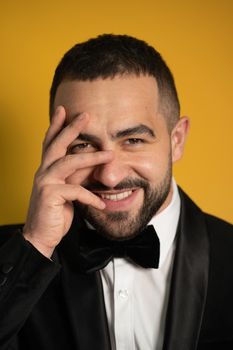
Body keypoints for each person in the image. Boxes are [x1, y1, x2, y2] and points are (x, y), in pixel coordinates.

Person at [0, 34, 232, 350]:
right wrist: (36, 245)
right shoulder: (14, 258)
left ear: (176, 140)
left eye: (133, 140)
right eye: (83, 145)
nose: (109, 176)